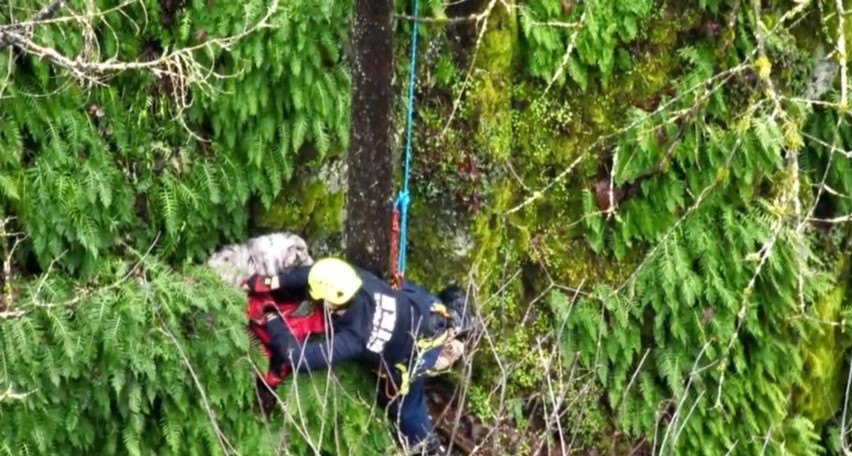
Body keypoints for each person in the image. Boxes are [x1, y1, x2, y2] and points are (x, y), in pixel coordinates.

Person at [243, 257, 453, 456]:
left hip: (420, 349)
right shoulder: (359, 279)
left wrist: (271, 317)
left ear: (330, 303)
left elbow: (297, 357)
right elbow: (316, 273)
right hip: (424, 306)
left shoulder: (354, 338)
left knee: (409, 413)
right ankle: (452, 308)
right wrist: (271, 282)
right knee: (404, 289)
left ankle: (428, 447)